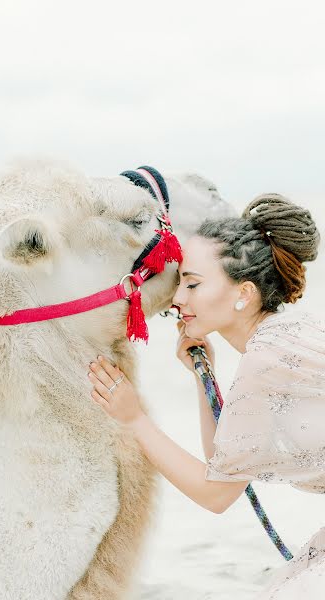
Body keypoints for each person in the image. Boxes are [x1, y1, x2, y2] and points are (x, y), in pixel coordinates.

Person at [87, 193, 325, 599]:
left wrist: (134, 420)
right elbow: (226, 463)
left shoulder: (267, 357)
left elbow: (216, 494)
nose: (178, 299)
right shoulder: (287, 336)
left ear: (244, 294)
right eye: (180, 283)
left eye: (192, 284)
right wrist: (204, 379)